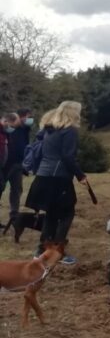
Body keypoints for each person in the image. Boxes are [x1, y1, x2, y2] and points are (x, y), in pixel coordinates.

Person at [25, 102, 86, 265]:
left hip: (43, 176)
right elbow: (68, 157)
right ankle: (57, 252)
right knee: (67, 213)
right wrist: (80, 175)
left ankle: (42, 249)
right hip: (58, 178)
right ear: (73, 113)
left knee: (52, 213)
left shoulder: (49, 130)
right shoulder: (70, 131)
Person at [1, 109, 33, 225]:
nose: (29, 119)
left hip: (18, 164)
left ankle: (14, 217)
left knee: (17, 190)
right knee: (1, 188)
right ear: (20, 117)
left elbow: (26, 147)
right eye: (28, 117)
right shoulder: (9, 128)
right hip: (6, 165)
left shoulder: (25, 130)